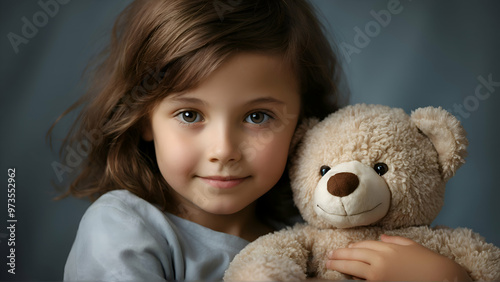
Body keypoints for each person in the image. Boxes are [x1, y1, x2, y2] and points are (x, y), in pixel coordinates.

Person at [51, 0, 471, 280]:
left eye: (257, 116)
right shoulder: (126, 228)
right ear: (145, 119)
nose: (223, 150)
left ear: (302, 126)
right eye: (189, 114)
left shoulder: (307, 243)